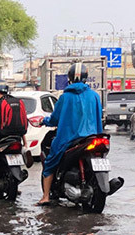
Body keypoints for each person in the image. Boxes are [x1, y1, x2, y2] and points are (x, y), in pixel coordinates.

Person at [37, 63, 103, 206]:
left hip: (69, 138)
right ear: (86, 77)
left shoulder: (65, 97)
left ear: (70, 78)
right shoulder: (95, 96)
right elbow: (99, 118)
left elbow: (55, 119)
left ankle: (46, 196)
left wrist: (44, 121)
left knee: (49, 163)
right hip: (93, 137)